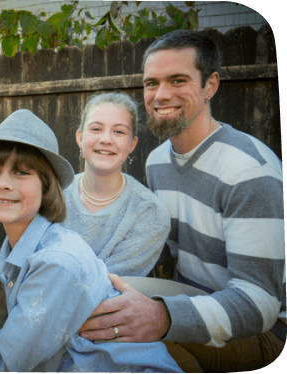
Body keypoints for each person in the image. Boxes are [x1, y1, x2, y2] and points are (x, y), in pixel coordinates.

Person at [0, 109, 183, 372]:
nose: (3, 183)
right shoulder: (18, 249)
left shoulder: (56, 262)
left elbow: (2, 365)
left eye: (20, 172)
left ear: (46, 186)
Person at [78, 30, 285, 372]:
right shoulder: (158, 161)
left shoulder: (249, 171)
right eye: (151, 83)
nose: (161, 95)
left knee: (112, 326)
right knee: (96, 305)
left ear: (210, 86)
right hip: (189, 299)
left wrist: (162, 316)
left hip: (263, 331)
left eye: (177, 80)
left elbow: (259, 304)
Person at [62, 91, 171, 276]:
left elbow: (111, 286)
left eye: (119, 132)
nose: (106, 140)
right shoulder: (53, 195)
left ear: (131, 144)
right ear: (80, 137)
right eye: (96, 129)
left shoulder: (149, 212)